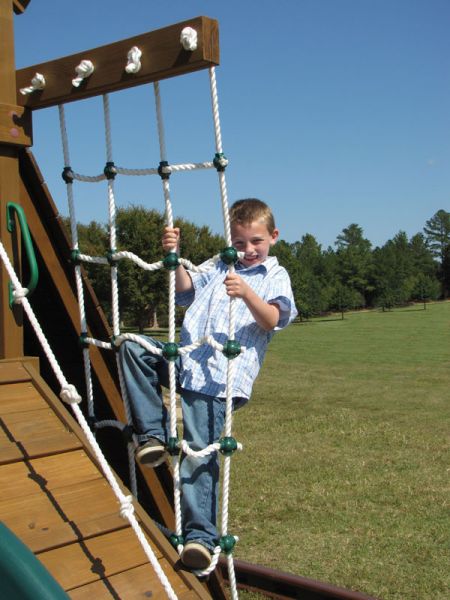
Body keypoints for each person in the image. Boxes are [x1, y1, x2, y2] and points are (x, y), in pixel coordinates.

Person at [119, 198, 297, 571]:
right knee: (132, 347)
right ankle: (152, 435)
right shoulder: (220, 263)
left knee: (199, 452)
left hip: (219, 377)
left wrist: (247, 293)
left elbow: (272, 319)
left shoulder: (274, 275)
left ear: (274, 237)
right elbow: (185, 289)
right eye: (240, 242)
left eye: (256, 242)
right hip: (187, 358)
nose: (247, 250)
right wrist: (174, 254)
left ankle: (200, 537)